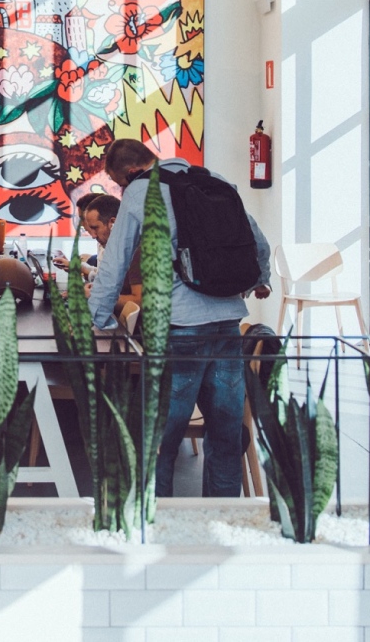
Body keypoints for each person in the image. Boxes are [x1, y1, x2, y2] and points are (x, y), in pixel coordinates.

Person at [89, 139, 274, 498]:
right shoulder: (213, 180)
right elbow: (259, 243)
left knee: (159, 439)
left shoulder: (141, 192)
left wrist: (99, 318)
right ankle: (220, 518)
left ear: (129, 173)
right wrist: (260, 280)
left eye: (119, 183)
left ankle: (157, 522)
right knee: (225, 436)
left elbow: (114, 263)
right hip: (227, 325)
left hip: (178, 330)